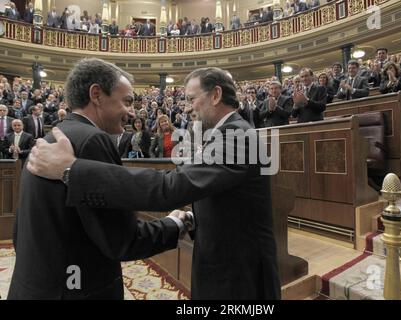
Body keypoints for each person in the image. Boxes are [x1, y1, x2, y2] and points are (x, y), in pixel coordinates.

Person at [27, 67, 281, 300]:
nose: (187, 108)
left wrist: (74, 171)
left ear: (215, 95)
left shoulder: (237, 136)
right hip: (223, 263)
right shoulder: (224, 134)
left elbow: (171, 187)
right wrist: (191, 220)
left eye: (192, 98)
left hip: (240, 275)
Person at [8, 58, 189, 300]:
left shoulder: (51, 138)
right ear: (97, 94)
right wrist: (175, 224)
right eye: (126, 101)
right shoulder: (93, 140)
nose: (132, 112)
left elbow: (20, 232)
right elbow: (122, 240)